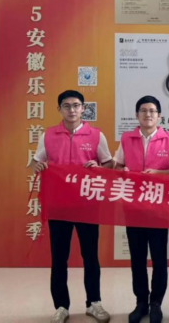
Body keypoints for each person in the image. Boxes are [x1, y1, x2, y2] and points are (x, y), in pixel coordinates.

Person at [30, 90, 113, 323]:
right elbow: (37, 161)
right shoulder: (48, 135)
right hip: (59, 206)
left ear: (83, 108)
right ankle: (61, 306)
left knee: (90, 256)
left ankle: (94, 303)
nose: (72, 110)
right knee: (59, 258)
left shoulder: (96, 135)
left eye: (76, 105)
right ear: (59, 109)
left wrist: (98, 167)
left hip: (87, 205)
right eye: (66, 106)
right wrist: (37, 166)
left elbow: (109, 164)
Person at [113, 95, 169, 323]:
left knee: (159, 258)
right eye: (143, 110)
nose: (148, 114)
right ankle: (141, 302)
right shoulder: (127, 138)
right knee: (137, 258)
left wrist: (157, 173)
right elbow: (117, 165)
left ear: (159, 116)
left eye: (152, 111)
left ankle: (156, 303)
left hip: (158, 208)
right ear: (137, 115)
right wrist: (122, 170)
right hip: (133, 207)